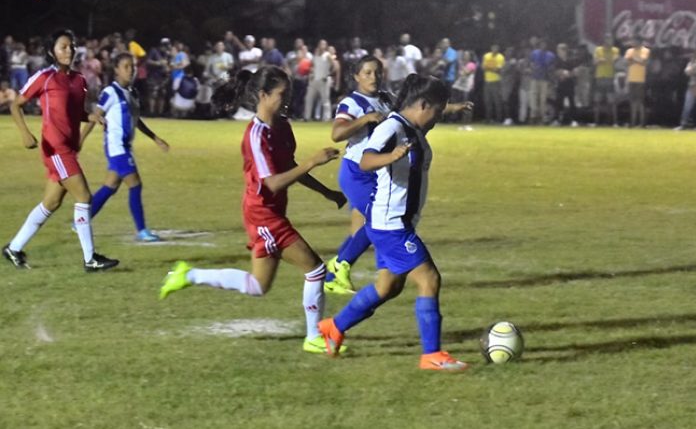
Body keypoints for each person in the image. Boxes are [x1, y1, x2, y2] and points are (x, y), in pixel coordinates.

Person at [159, 66, 348, 354]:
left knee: (258, 285)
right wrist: (313, 161)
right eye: (282, 94)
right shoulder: (256, 135)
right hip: (263, 213)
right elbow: (271, 183)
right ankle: (313, 337)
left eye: (289, 93)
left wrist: (326, 192)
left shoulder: (282, 126)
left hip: (270, 211)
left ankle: (188, 275)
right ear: (263, 94)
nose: (287, 100)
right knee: (316, 270)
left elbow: (288, 167)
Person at [317, 73, 469, 371]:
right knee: (429, 279)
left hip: (394, 222)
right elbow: (366, 159)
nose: (439, 117)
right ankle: (432, 355)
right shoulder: (393, 127)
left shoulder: (412, 129)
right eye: (438, 110)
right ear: (423, 104)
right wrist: (390, 157)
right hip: (392, 224)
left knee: (388, 287)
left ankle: (334, 327)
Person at [3, 29, 118, 272]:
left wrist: (93, 118)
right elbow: (17, 104)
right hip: (55, 148)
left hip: (68, 148)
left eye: (71, 46)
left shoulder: (79, 80)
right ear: (51, 52)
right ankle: (90, 259)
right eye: (63, 47)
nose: (69, 51)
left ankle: (14, 248)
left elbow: (76, 113)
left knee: (51, 202)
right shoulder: (44, 77)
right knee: (85, 197)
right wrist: (25, 133)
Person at [83, 52, 170, 242]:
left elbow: (136, 120)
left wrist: (155, 138)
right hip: (116, 147)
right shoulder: (110, 92)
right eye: (126, 66)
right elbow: (95, 116)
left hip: (125, 147)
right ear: (116, 70)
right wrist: (80, 140)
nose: (131, 70)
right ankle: (142, 230)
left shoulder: (133, 93)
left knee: (110, 186)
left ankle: (81, 221)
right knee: (135, 184)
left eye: (132, 66)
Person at [325, 56, 393, 295]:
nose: (373, 77)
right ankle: (341, 266)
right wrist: (364, 119)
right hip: (357, 172)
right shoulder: (351, 103)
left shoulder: (386, 99)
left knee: (373, 223)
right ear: (356, 76)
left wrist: (448, 107)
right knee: (379, 220)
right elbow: (337, 133)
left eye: (376, 72)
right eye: (367, 73)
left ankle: (336, 270)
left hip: (380, 172)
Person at [592, 35, 620, 126]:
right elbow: (595, 62)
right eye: (608, 40)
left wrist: (602, 60)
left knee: (611, 101)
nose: (610, 42)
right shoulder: (598, 50)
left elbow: (614, 60)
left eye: (611, 40)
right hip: (599, 77)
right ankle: (596, 122)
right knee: (597, 100)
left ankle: (613, 121)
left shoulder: (615, 50)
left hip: (609, 77)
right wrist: (600, 60)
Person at [624, 37, 650, 127]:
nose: (632, 42)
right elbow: (627, 62)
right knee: (632, 102)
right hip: (631, 79)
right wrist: (636, 60)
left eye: (634, 41)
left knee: (640, 102)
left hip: (640, 79)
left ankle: (642, 122)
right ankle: (633, 122)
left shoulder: (645, 50)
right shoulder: (629, 51)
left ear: (639, 41)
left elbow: (643, 62)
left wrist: (634, 59)